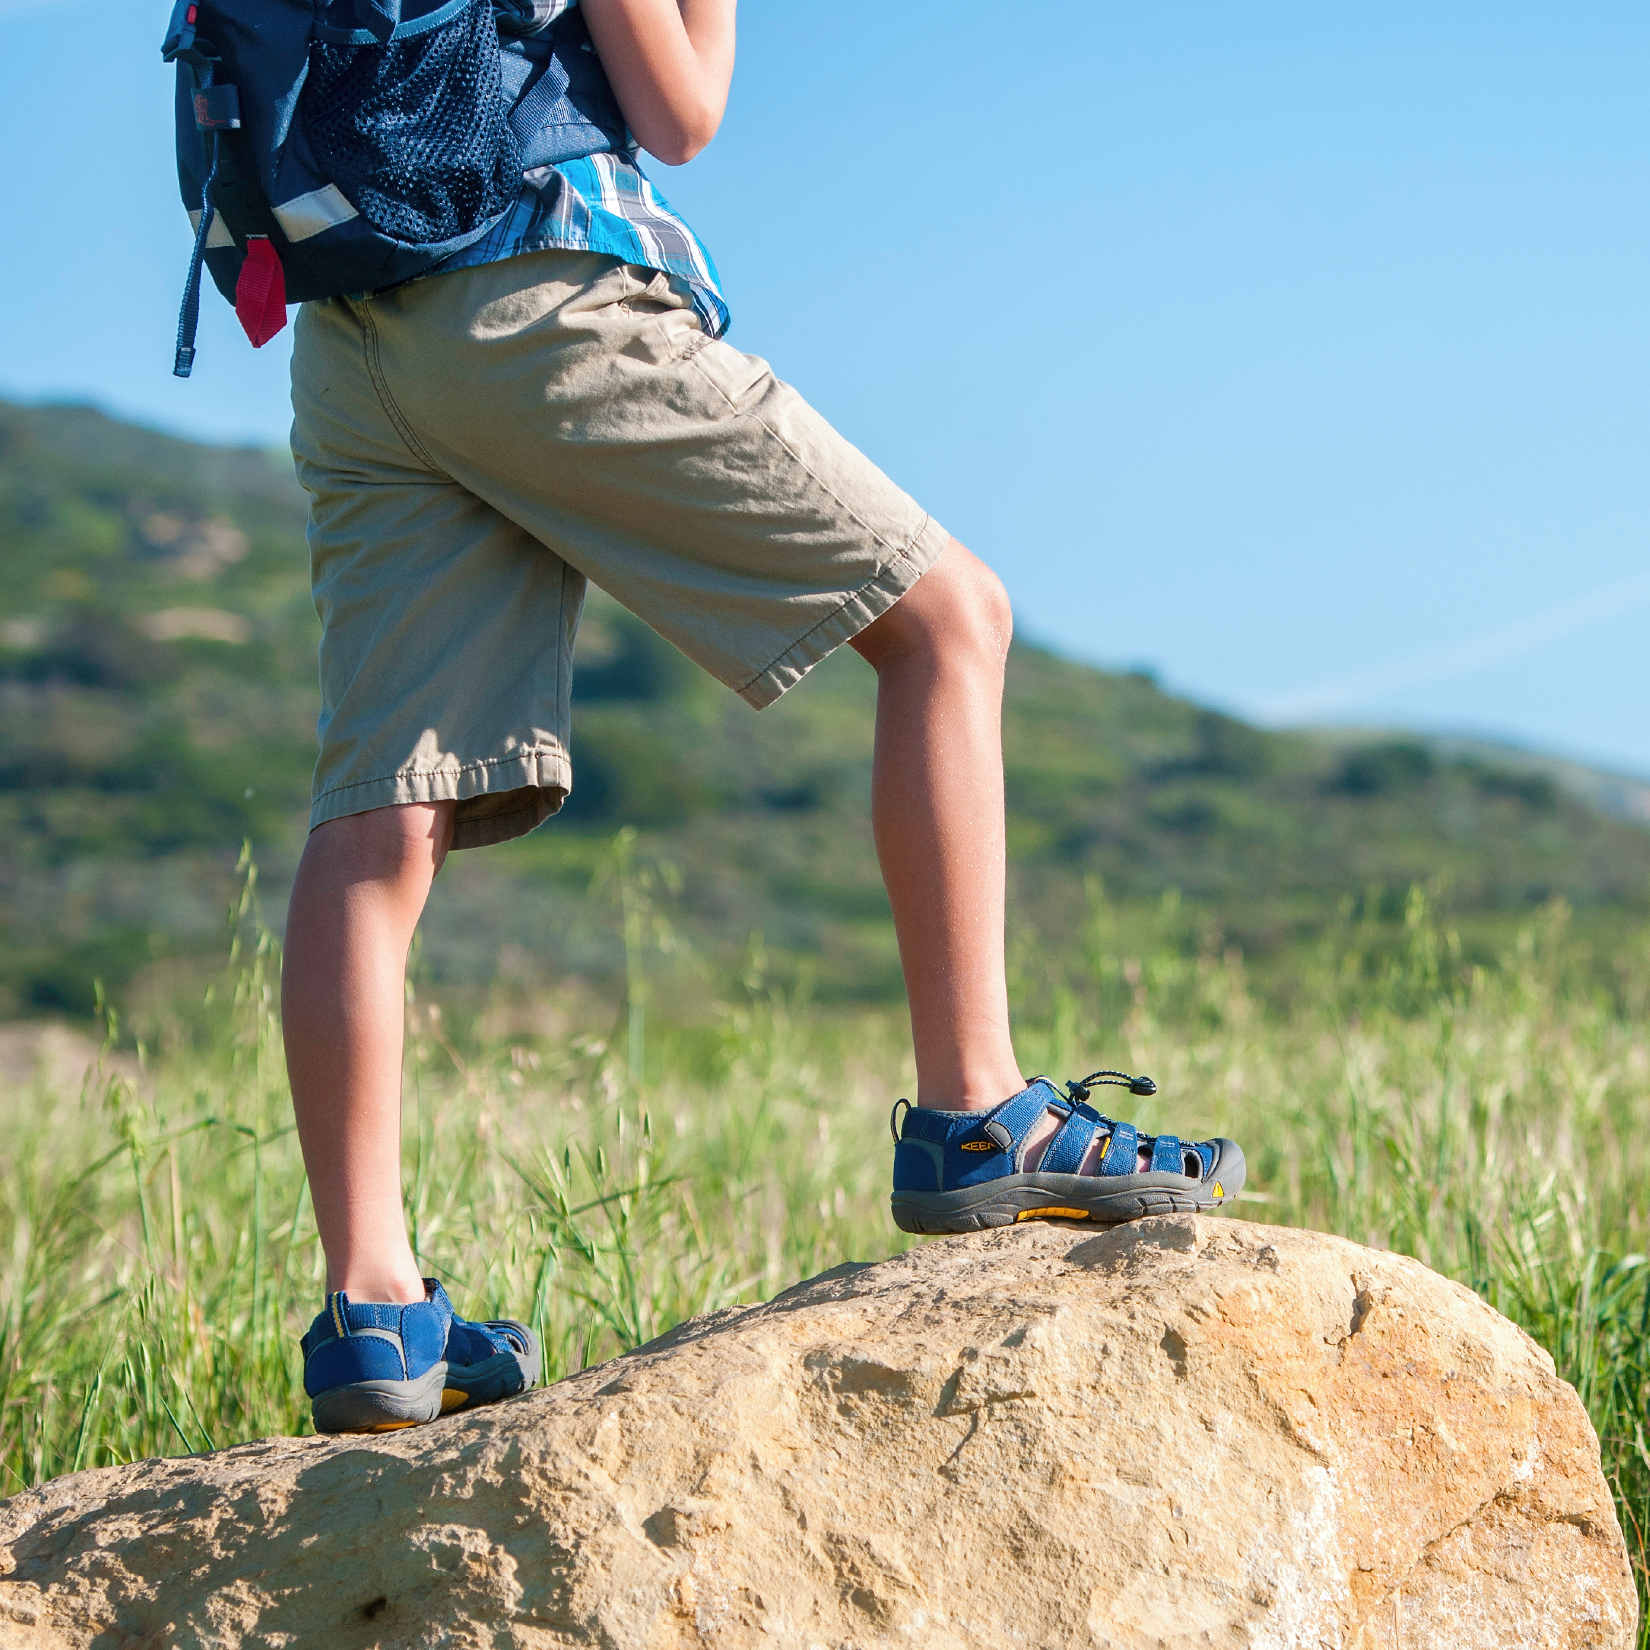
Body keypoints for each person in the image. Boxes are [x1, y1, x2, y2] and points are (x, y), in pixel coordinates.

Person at [285, 0, 1244, 1435]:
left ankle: (372, 1311)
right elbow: (679, 109)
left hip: (352, 336)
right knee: (948, 620)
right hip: (534, 289)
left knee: (382, 806)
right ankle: (976, 1108)